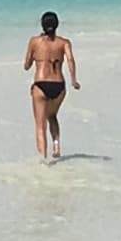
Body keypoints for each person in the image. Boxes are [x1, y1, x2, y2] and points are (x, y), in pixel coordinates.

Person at [23, 10, 79, 162]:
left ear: (42, 25)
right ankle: (56, 146)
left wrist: (37, 57)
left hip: (41, 85)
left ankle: (43, 159)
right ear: (57, 25)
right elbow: (71, 60)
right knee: (52, 115)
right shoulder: (64, 42)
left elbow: (27, 66)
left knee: (40, 125)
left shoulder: (34, 41)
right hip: (59, 85)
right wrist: (74, 80)